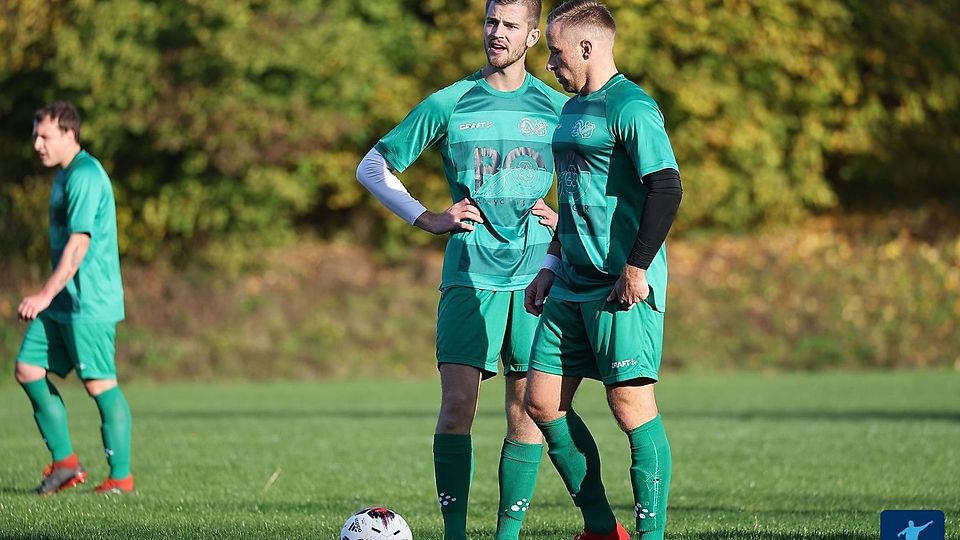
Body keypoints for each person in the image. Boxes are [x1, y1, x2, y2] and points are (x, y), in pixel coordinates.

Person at [355, 1, 568, 538]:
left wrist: (564, 222)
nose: (497, 33)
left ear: (533, 35)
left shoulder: (559, 106)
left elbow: (598, 178)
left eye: (510, 25)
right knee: (456, 409)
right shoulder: (450, 102)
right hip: (469, 274)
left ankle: (506, 536)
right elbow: (373, 165)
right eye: (491, 22)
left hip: (536, 278)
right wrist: (426, 217)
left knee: (528, 411)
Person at [522, 1, 684, 539]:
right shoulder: (571, 111)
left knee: (629, 405)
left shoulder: (632, 107)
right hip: (569, 280)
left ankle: (650, 534)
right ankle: (599, 528)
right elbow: (571, 192)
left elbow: (666, 187)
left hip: (622, 285)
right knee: (542, 402)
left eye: (556, 51)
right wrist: (549, 261)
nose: (550, 63)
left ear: (587, 48)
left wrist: (637, 267)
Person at [15, 101, 133, 495]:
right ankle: (65, 465)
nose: (37, 144)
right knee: (28, 368)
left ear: (69, 134)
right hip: (64, 302)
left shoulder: (85, 176)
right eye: (35, 135)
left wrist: (45, 293)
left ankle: (121, 478)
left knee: (100, 384)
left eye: (44, 136)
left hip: (88, 303)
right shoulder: (64, 176)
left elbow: (79, 243)